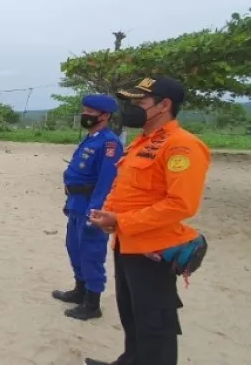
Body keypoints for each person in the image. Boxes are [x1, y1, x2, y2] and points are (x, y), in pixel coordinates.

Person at [84, 76, 211, 365]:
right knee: (132, 314)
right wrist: (111, 219)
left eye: (140, 102)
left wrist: (122, 220)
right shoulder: (142, 142)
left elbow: (181, 204)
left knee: (155, 324)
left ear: (164, 105)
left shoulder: (182, 146)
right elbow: (130, 192)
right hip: (126, 243)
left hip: (154, 250)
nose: (132, 108)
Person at [52, 94, 122, 321]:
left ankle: (92, 303)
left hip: (91, 204)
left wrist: (96, 211)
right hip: (76, 202)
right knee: (74, 247)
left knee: (91, 252)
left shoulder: (109, 143)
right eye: (84, 111)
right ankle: (79, 290)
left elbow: (106, 181)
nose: (86, 115)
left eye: (91, 112)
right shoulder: (91, 138)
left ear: (105, 116)